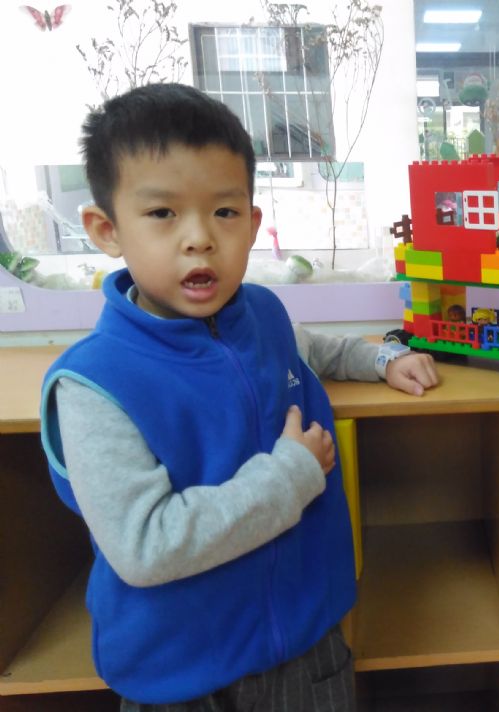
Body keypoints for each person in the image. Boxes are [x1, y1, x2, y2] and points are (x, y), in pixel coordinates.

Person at [38, 83, 439, 711]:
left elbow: (310, 348)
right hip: (179, 675)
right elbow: (145, 545)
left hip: (306, 646)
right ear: (106, 229)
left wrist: (384, 358)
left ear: (253, 225)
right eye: (162, 213)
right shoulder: (94, 384)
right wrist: (290, 476)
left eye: (224, 212)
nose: (199, 238)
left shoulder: (262, 314)